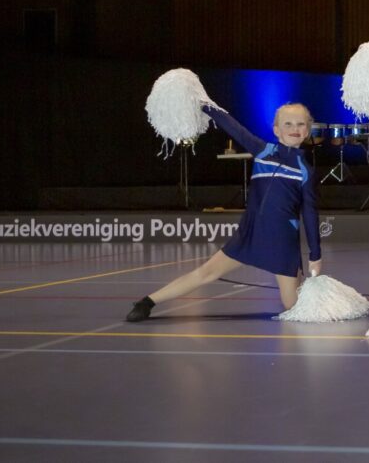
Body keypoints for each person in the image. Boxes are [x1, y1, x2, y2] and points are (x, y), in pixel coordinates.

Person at [125, 102, 321, 322]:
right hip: (250, 235)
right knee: (206, 272)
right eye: (288, 123)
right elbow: (233, 127)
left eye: (300, 124)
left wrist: (315, 254)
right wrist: (204, 105)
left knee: (291, 306)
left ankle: (319, 296)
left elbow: (310, 212)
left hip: (281, 241)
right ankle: (147, 302)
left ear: (307, 129)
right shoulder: (262, 151)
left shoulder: (305, 170)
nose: (294, 128)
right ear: (276, 129)